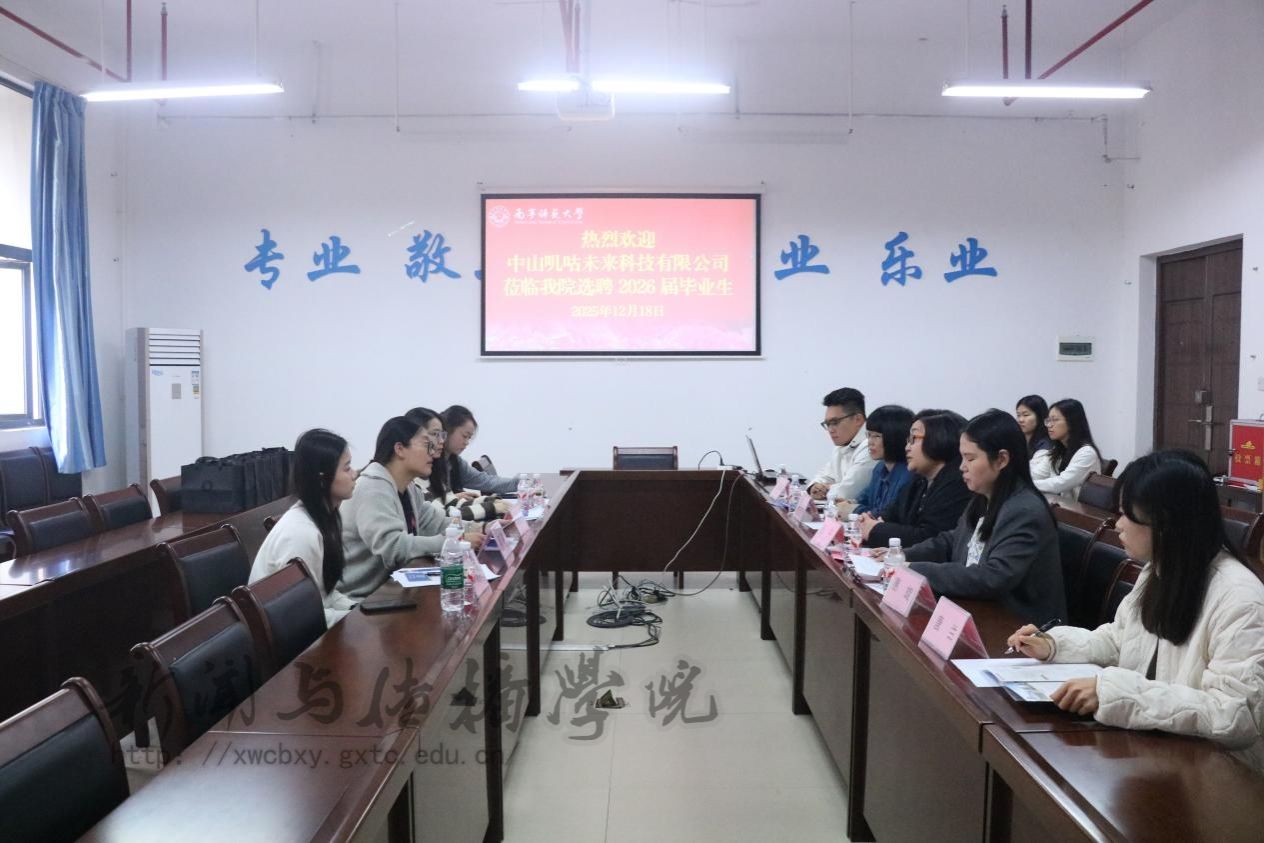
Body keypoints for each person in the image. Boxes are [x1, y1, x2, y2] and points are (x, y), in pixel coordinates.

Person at [1007, 450, 1264, 773]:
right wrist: (1054, 644)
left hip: (1217, 775)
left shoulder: (1240, 599)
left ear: (1166, 523)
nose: (1117, 524)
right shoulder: (1159, 570)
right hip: (1159, 752)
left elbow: (1235, 714)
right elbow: (1120, 640)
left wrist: (1117, 694)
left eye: (1127, 514)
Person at [900, 409, 1065, 623]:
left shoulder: (1025, 510)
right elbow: (951, 541)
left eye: (970, 458)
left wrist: (915, 569)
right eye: (962, 457)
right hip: (979, 610)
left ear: (1001, 459)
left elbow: (993, 577)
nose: (962, 467)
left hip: (1016, 626)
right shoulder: (984, 497)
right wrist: (902, 555)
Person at [338, 414, 481, 599]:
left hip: (393, 590)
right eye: (426, 444)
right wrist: (451, 543)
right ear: (400, 449)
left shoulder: (408, 487)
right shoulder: (372, 488)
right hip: (361, 600)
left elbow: (435, 522)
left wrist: (481, 528)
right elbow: (394, 547)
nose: (433, 452)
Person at [250, 428, 358, 624]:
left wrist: (357, 609)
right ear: (322, 478)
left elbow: (325, 594)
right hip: (286, 636)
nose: (355, 474)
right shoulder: (301, 534)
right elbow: (297, 616)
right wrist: (358, 620)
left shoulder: (325, 517)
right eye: (347, 468)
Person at [861, 410, 972, 548]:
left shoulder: (957, 484)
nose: (907, 447)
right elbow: (890, 514)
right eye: (908, 440)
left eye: (914, 439)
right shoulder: (919, 479)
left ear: (939, 438)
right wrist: (869, 522)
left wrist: (875, 529)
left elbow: (929, 537)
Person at [423, 405, 510, 522]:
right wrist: (492, 507)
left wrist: (491, 501)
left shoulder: (449, 462)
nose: (440, 441)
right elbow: (442, 516)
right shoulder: (419, 476)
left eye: (442, 435)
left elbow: (449, 503)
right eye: (464, 436)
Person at [807, 387, 875, 501]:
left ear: (858, 419)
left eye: (834, 422)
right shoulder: (841, 445)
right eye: (827, 424)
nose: (830, 430)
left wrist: (827, 488)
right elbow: (825, 475)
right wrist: (814, 486)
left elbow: (848, 492)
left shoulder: (871, 445)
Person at [435, 404, 518, 496]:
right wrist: (453, 498)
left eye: (469, 438)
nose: (466, 442)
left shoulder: (456, 462)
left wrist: (522, 482)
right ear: (448, 430)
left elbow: (487, 481)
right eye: (464, 436)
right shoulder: (429, 461)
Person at [1031, 398, 1102, 504]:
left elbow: (1061, 483)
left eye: (1055, 420)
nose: (1049, 425)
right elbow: (1036, 473)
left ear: (1072, 422)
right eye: (1048, 420)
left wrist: (1027, 484)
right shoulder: (1058, 451)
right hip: (1061, 507)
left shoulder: (1087, 453)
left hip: (1079, 511)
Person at [847, 404, 914, 517]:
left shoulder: (908, 473)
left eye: (877, 436)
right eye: (869, 435)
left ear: (895, 437)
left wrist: (854, 510)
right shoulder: (879, 467)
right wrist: (849, 503)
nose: (870, 442)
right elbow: (864, 498)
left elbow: (886, 515)